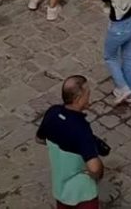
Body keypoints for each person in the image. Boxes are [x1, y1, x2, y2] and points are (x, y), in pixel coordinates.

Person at [37, 75, 106, 209]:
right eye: (88, 94)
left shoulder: (52, 113)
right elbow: (94, 168)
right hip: (83, 193)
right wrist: (100, 171)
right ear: (78, 99)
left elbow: (39, 138)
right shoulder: (81, 129)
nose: (89, 97)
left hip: (61, 189)